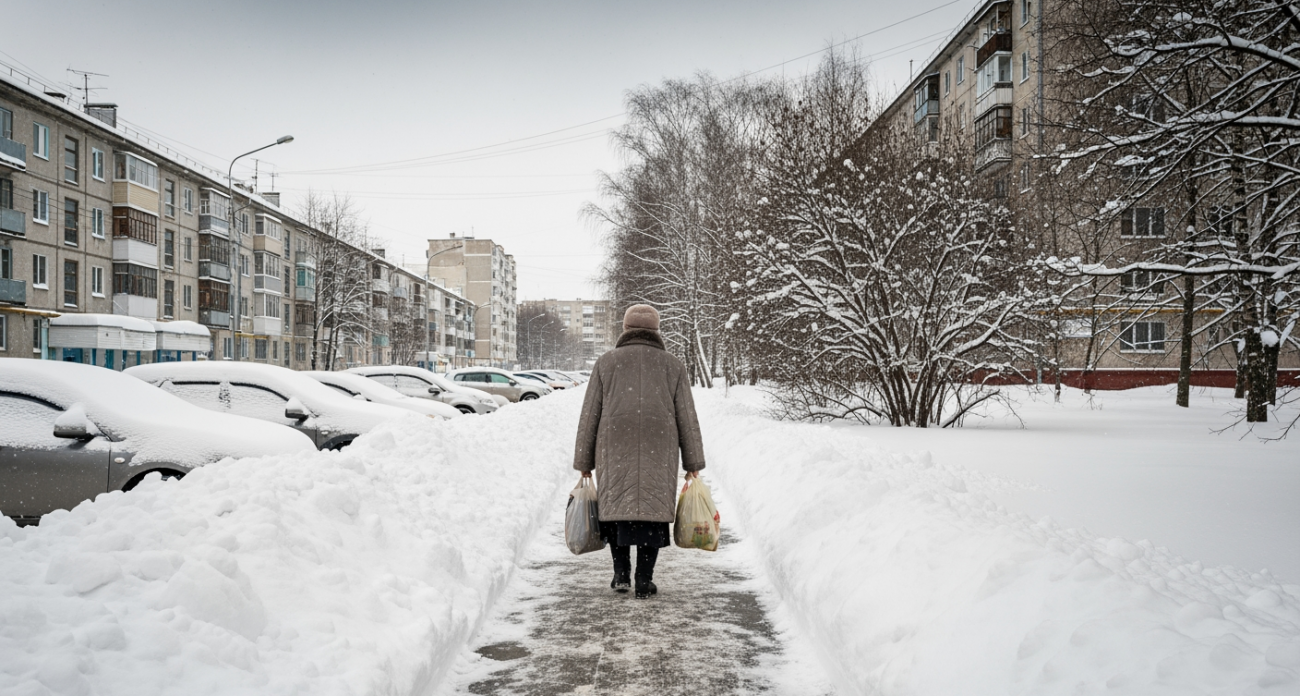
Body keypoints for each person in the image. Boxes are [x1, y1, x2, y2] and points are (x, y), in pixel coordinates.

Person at [573, 303, 706, 599]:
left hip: (615, 448)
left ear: (626, 329)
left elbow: (589, 415)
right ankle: (644, 580)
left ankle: (621, 574)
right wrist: (693, 462)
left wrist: (584, 461)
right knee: (650, 514)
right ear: (656, 330)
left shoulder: (606, 362)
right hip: (658, 449)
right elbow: (687, 416)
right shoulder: (672, 365)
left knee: (617, 512)